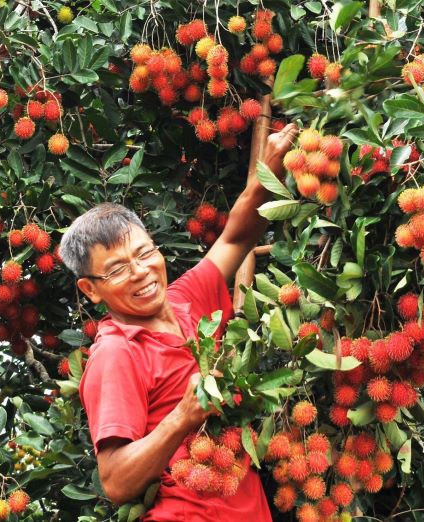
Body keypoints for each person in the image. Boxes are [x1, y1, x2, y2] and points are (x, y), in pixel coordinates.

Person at [59, 124, 298, 520]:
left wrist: (269, 172)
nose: (140, 272)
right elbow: (116, 481)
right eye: (117, 270)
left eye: (144, 253)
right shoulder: (117, 353)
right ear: (91, 290)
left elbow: (236, 239)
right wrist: (183, 416)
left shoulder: (187, 300)